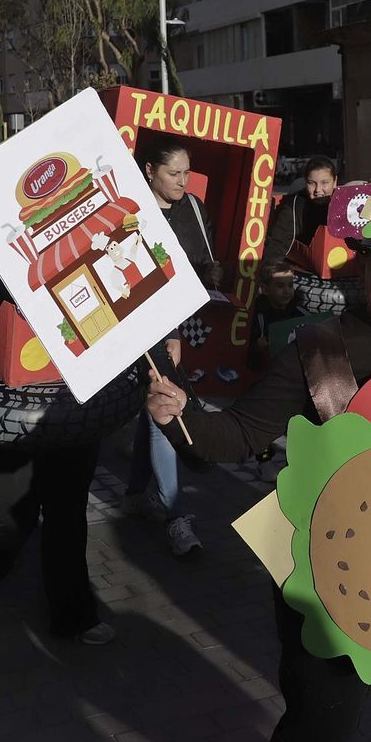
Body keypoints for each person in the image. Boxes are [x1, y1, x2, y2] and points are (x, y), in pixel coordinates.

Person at [144, 168, 371, 742]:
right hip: (327, 581)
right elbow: (242, 434)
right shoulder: (317, 349)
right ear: (362, 266)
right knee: (317, 734)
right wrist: (181, 413)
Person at [0, 236, 115, 644]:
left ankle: (74, 615)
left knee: (66, 512)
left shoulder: (75, 244)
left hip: (68, 405)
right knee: (12, 517)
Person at [125, 142, 219, 556]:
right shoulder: (130, 209)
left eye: (186, 173)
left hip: (178, 327)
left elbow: (198, 268)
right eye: (173, 174)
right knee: (162, 407)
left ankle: (137, 493)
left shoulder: (193, 207)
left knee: (155, 410)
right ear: (150, 171)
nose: (182, 181)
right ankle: (173, 513)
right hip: (138, 326)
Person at [260, 155, 337, 275]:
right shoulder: (295, 204)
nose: (318, 190)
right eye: (312, 183)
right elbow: (278, 242)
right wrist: (271, 273)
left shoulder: (344, 203)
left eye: (325, 183)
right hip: (304, 271)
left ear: (335, 182)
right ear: (305, 182)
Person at [248, 262, 307, 369]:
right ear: (265, 289)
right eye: (280, 286)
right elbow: (246, 354)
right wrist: (257, 348)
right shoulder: (258, 316)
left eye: (290, 285)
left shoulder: (301, 313)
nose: (287, 291)